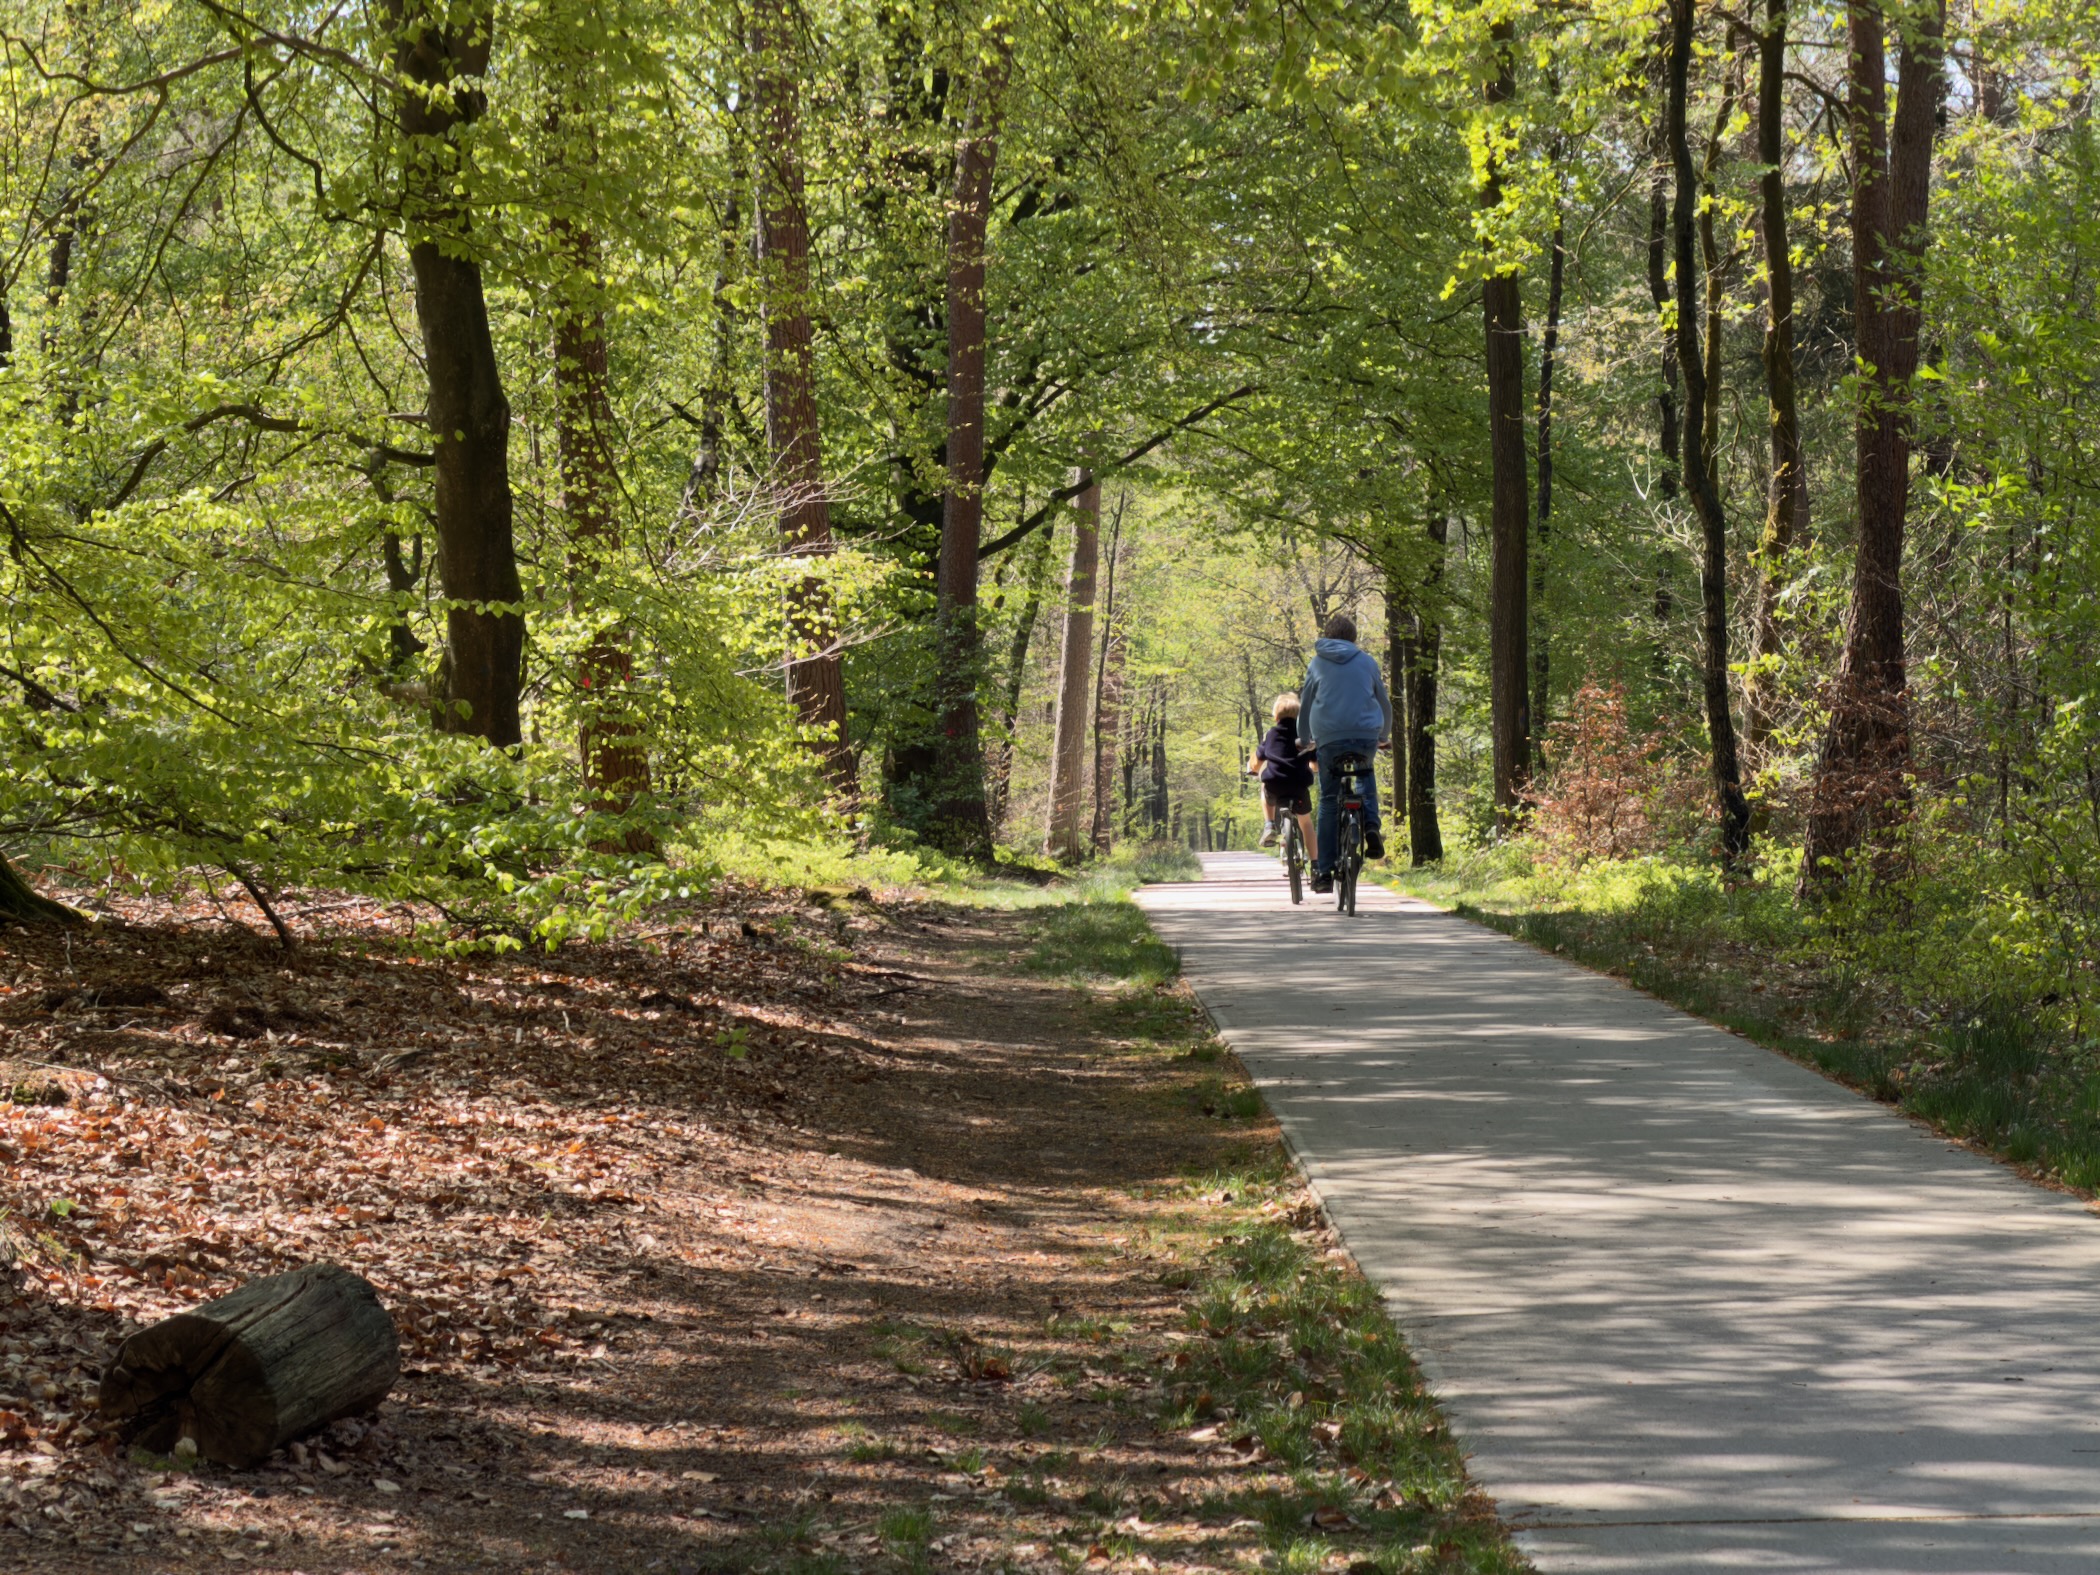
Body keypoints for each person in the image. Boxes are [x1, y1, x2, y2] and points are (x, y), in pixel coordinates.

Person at [1296, 612, 1391, 893]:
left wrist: (1303, 739)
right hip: (1365, 735)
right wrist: (1383, 736)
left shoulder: (1317, 663)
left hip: (1328, 738)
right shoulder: (1367, 661)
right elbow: (1384, 703)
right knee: (1365, 776)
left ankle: (1324, 872)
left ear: (1328, 635)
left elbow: (1306, 705)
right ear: (1353, 637)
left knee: (1328, 799)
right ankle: (1371, 826)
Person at [1248, 693, 1316, 853]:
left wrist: (1253, 769)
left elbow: (1257, 762)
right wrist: (1313, 767)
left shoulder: (1271, 735)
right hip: (1299, 787)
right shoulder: (1305, 736)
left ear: (1276, 716)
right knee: (1306, 823)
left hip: (1275, 786)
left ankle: (1269, 824)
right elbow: (1315, 763)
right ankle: (1315, 865)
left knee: (1264, 785)